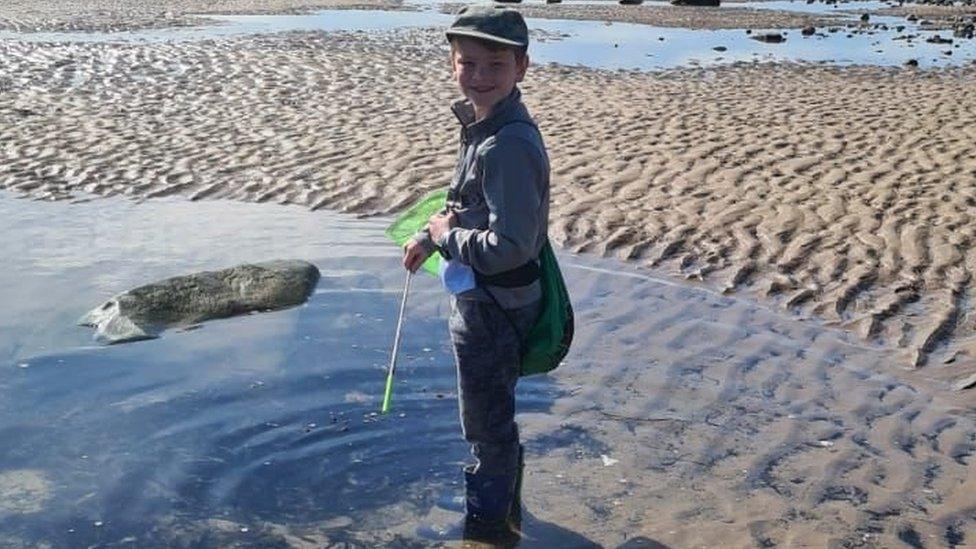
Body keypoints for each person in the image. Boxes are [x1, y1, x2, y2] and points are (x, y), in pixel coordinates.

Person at [402, 5, 550, 543]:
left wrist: (446, 240)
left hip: (494, 307)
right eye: (468, 64)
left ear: (522, 68)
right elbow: (473, 205)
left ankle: (487, 528)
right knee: (494, 420)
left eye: (495, 65)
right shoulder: (484, 126)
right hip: (487, 298)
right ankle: (506, 512)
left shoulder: (507, 143)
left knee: (487, 428)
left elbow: (509, 246)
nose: (480, 77)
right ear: (452, 64)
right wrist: (428, 234)